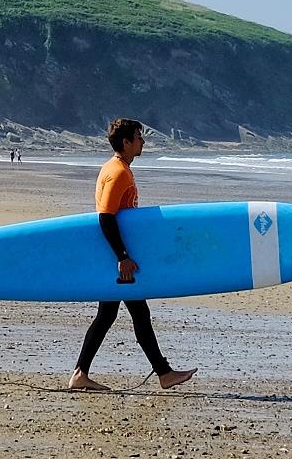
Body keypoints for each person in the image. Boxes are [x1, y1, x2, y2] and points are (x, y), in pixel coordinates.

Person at [69, 118, 197, 390]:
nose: (143, 141)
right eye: (139, 137)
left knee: (110, 315)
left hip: (115, 257)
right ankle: (164, 373)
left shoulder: (116, 167)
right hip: (119, 259)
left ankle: (81, 374)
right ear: (126, 142)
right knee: (136, 313)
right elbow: (106, 217)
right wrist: (122, 257)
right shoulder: (118, 172)